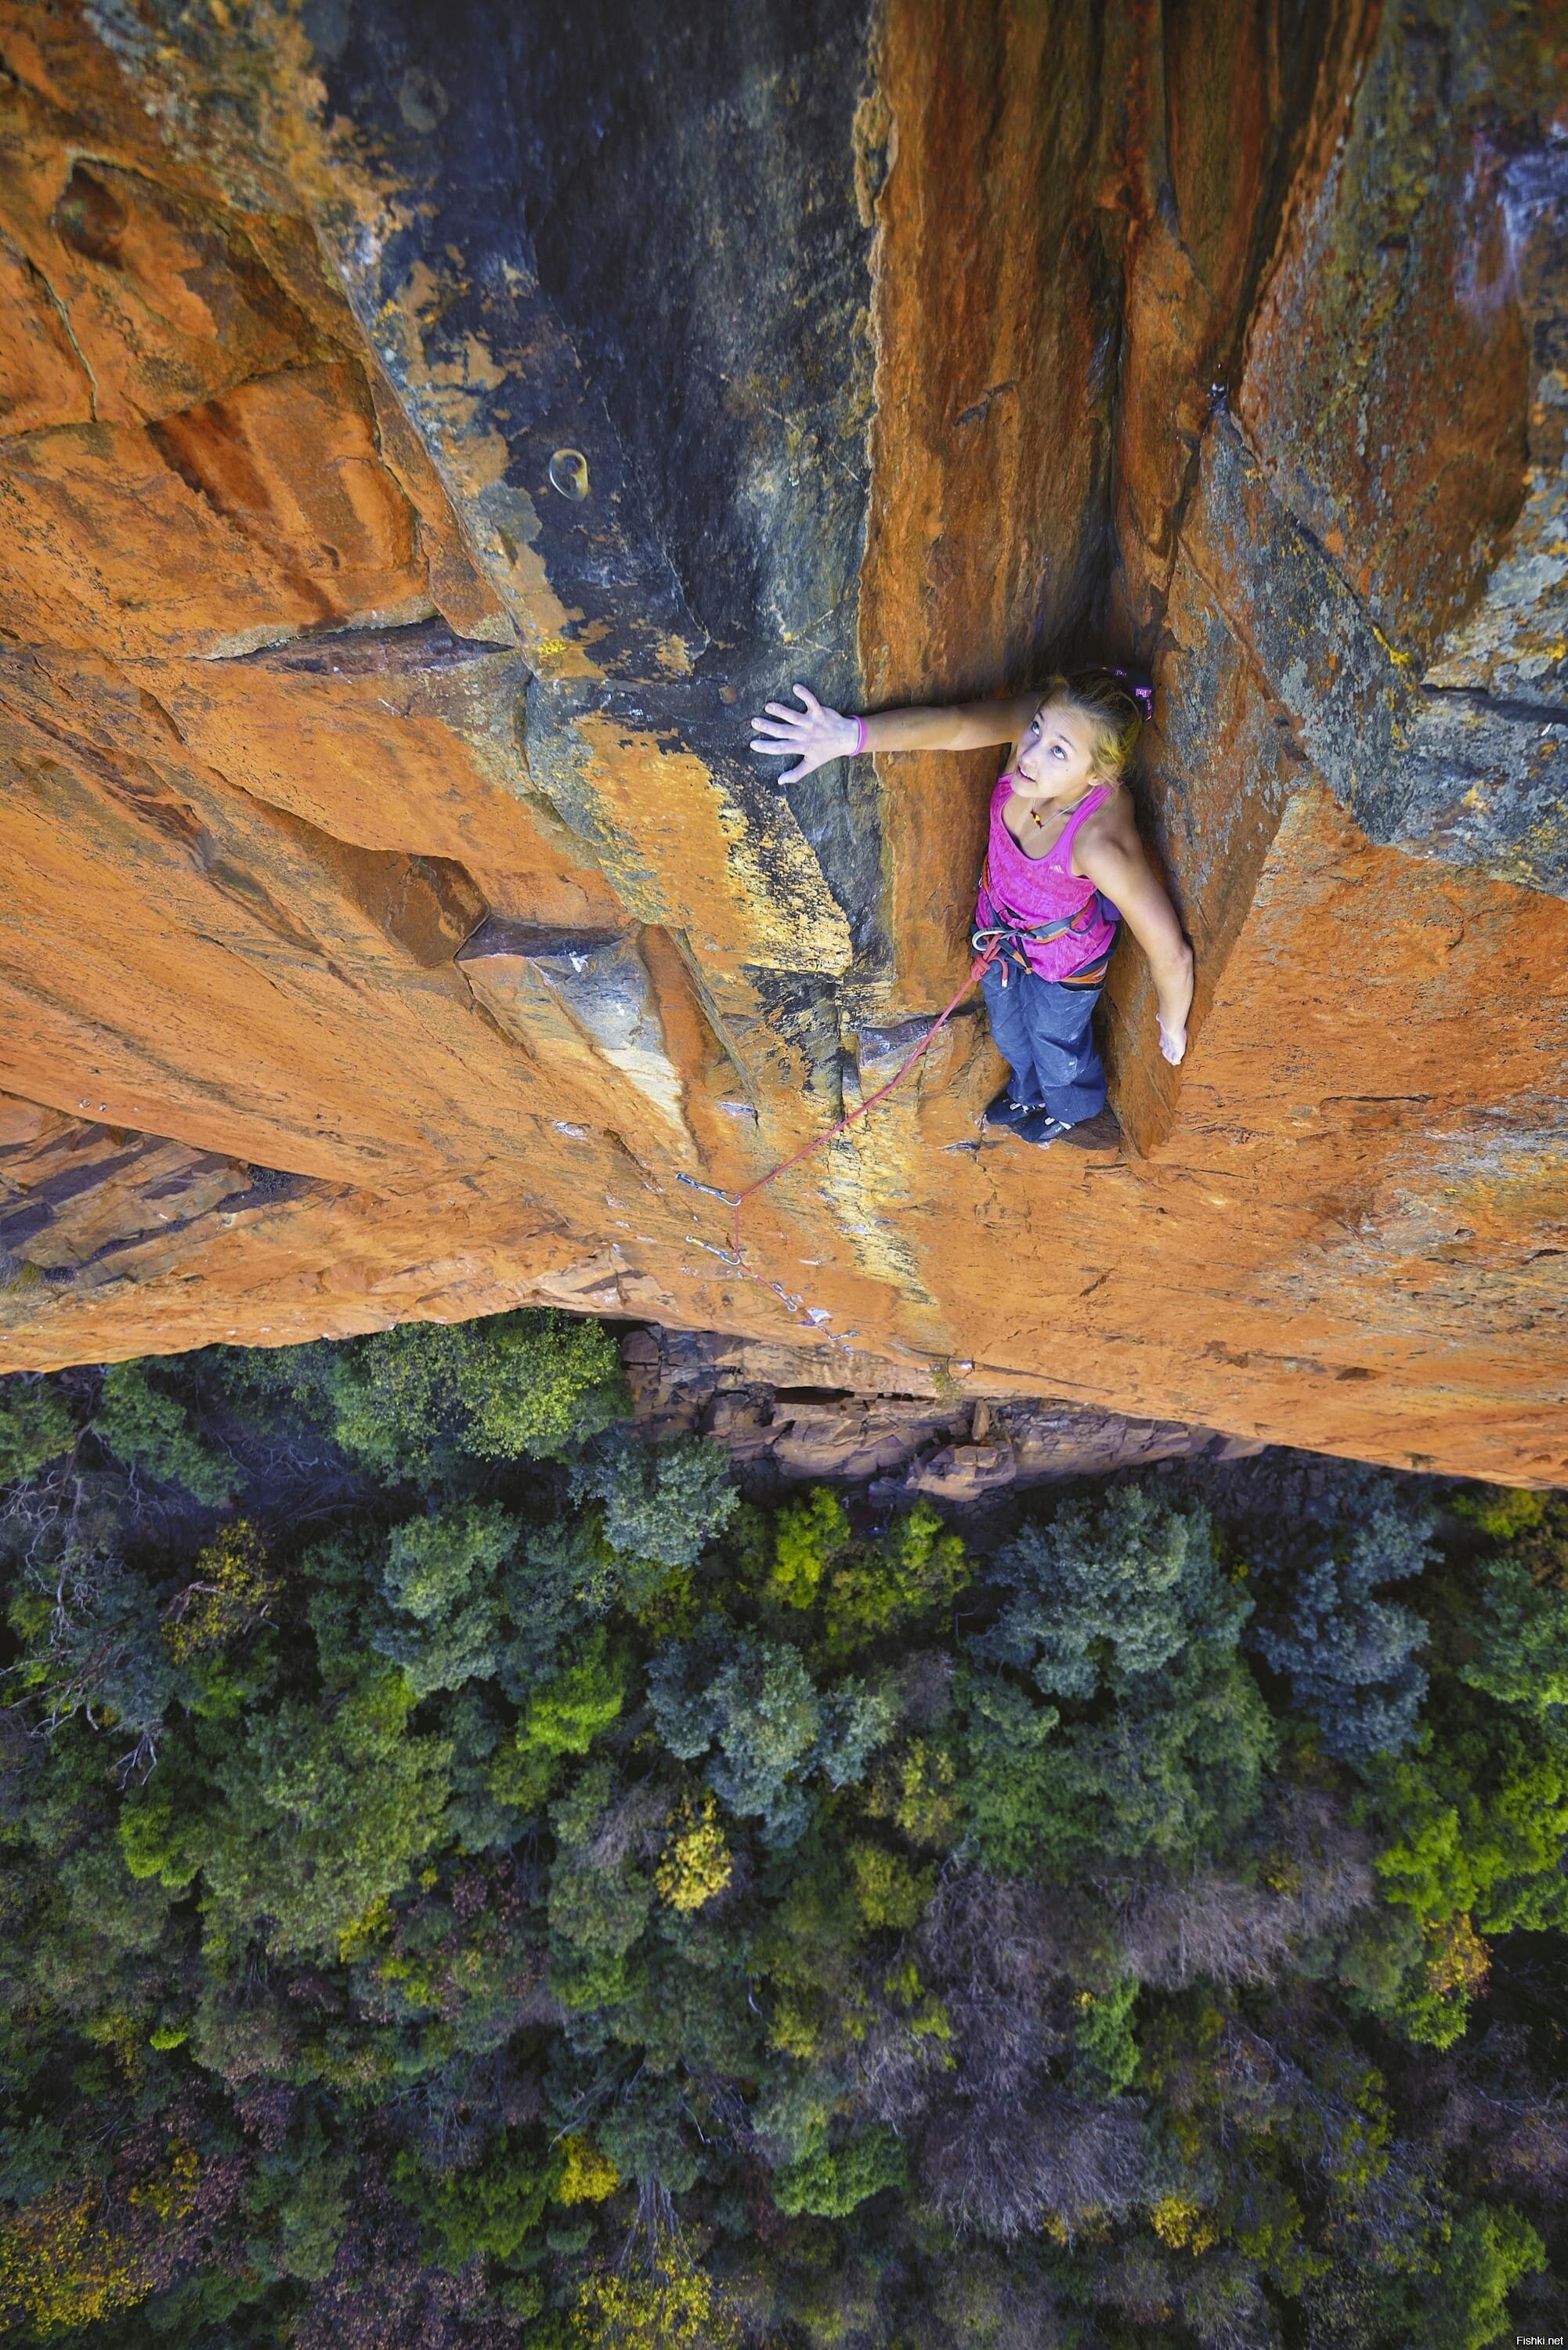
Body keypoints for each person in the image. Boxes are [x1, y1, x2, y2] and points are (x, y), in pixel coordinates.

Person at [750, 674, 1194, 1148]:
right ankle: (1027, 1094)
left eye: (1059, 752)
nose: (1030, 754)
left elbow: (1172, 954)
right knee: (1008, 1029)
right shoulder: (1034, 744)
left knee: (1054, 1041)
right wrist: (850, 736)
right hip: (1000, 934)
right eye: (1037, 730)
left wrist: (1172, 1020)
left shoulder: (1099, 844)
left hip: (1066, 962)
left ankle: (1070, 1110)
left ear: (1096, 776)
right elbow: (955, 726)